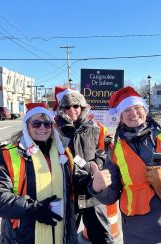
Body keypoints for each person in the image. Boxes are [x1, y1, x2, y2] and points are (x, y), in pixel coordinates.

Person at [89, 86, 161, 244]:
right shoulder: (116, 152)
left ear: (145, 110)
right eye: (127, 110)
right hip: (140, 237)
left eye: (137, 107)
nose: (134, 113)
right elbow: (110, 197)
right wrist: (97, 188)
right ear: (121, 117)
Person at [0, 102, 77, 244]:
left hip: (63, 235)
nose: (42, 128)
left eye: (47, 124)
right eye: (36, 123)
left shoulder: (63, 153)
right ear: (26, 126)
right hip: (22, 237)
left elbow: (75, 181)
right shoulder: (6, 155)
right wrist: (34, 209)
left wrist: (93, 184)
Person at [53, 86, 114, 244]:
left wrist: (96, 166)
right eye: (67, 106)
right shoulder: (53, 129)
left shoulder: (96, 127)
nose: (72, 110)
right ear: (61, 108)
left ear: (82, 107)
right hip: (67, 194)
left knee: (103, 238)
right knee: (66, 239)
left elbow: (103, 150)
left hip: (91, 192)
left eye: (76, 106)